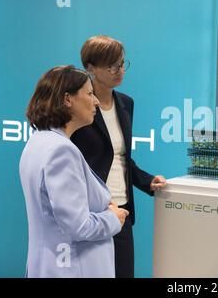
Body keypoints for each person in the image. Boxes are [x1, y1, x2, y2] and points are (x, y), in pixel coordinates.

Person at [71, 35, 167, 278]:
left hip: (122, 212)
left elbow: (121, 157)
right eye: (112, 65)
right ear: (90, 68)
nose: (120, 70)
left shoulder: (126, 103)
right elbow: (73, 164)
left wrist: (147, 181)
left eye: (122, 63)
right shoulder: (77, 106)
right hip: (90, 214)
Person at [20, 65, 129, 277]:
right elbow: (79, 226)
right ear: (68, 99)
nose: (96, 101)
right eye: (89, 94)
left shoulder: (39, 141)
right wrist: (113, 218)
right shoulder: (61, 151)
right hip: (72, 269)